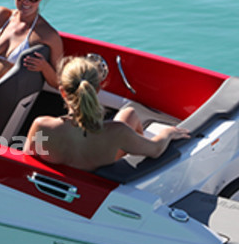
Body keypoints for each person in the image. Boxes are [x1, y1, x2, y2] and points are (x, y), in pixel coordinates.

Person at [24, 55, 190, 171]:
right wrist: (168, 133)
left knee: (129, 114)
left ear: (62, 92)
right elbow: (156, 150)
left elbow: (26, 159)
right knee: (130, 113)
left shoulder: (42, 127)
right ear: (97, 90)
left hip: (66, 184)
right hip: (102, 168)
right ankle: (135, 144)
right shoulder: (117, 132)